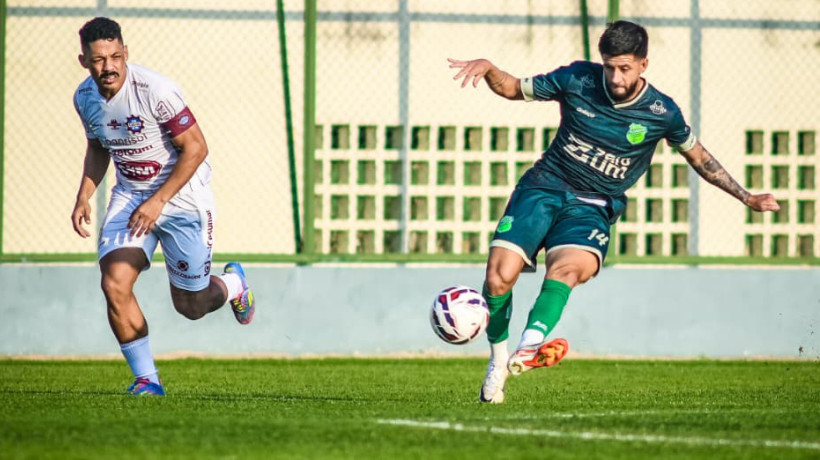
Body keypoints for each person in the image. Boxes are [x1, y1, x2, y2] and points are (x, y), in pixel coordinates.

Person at [449, 20, 780, 404]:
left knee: (570, 270)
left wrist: (746, 196)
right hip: (544, 186)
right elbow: (513, 88)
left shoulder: (662, 112)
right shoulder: (577, 79)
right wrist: (490, 68)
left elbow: (699, 157)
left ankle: (529, 346)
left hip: (593, 205)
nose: (616, 77)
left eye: (625, 68)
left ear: (644, 64)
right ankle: (498, 360)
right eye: (609, 67)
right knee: (497, 278)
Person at [71, 17, 256, 396]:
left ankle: (235, 283)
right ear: (83, 61)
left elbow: (197, 148)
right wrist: (84, 194)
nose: (108, 66)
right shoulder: (84, 98)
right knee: (114, 282)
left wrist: (158, 201)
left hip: (183, 196)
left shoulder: (156, 90)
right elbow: (98, 147)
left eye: (115, 56)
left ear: (126, 54)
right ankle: (147, 380)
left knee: (190, 306)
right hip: (130, 194)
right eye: (98, 60)